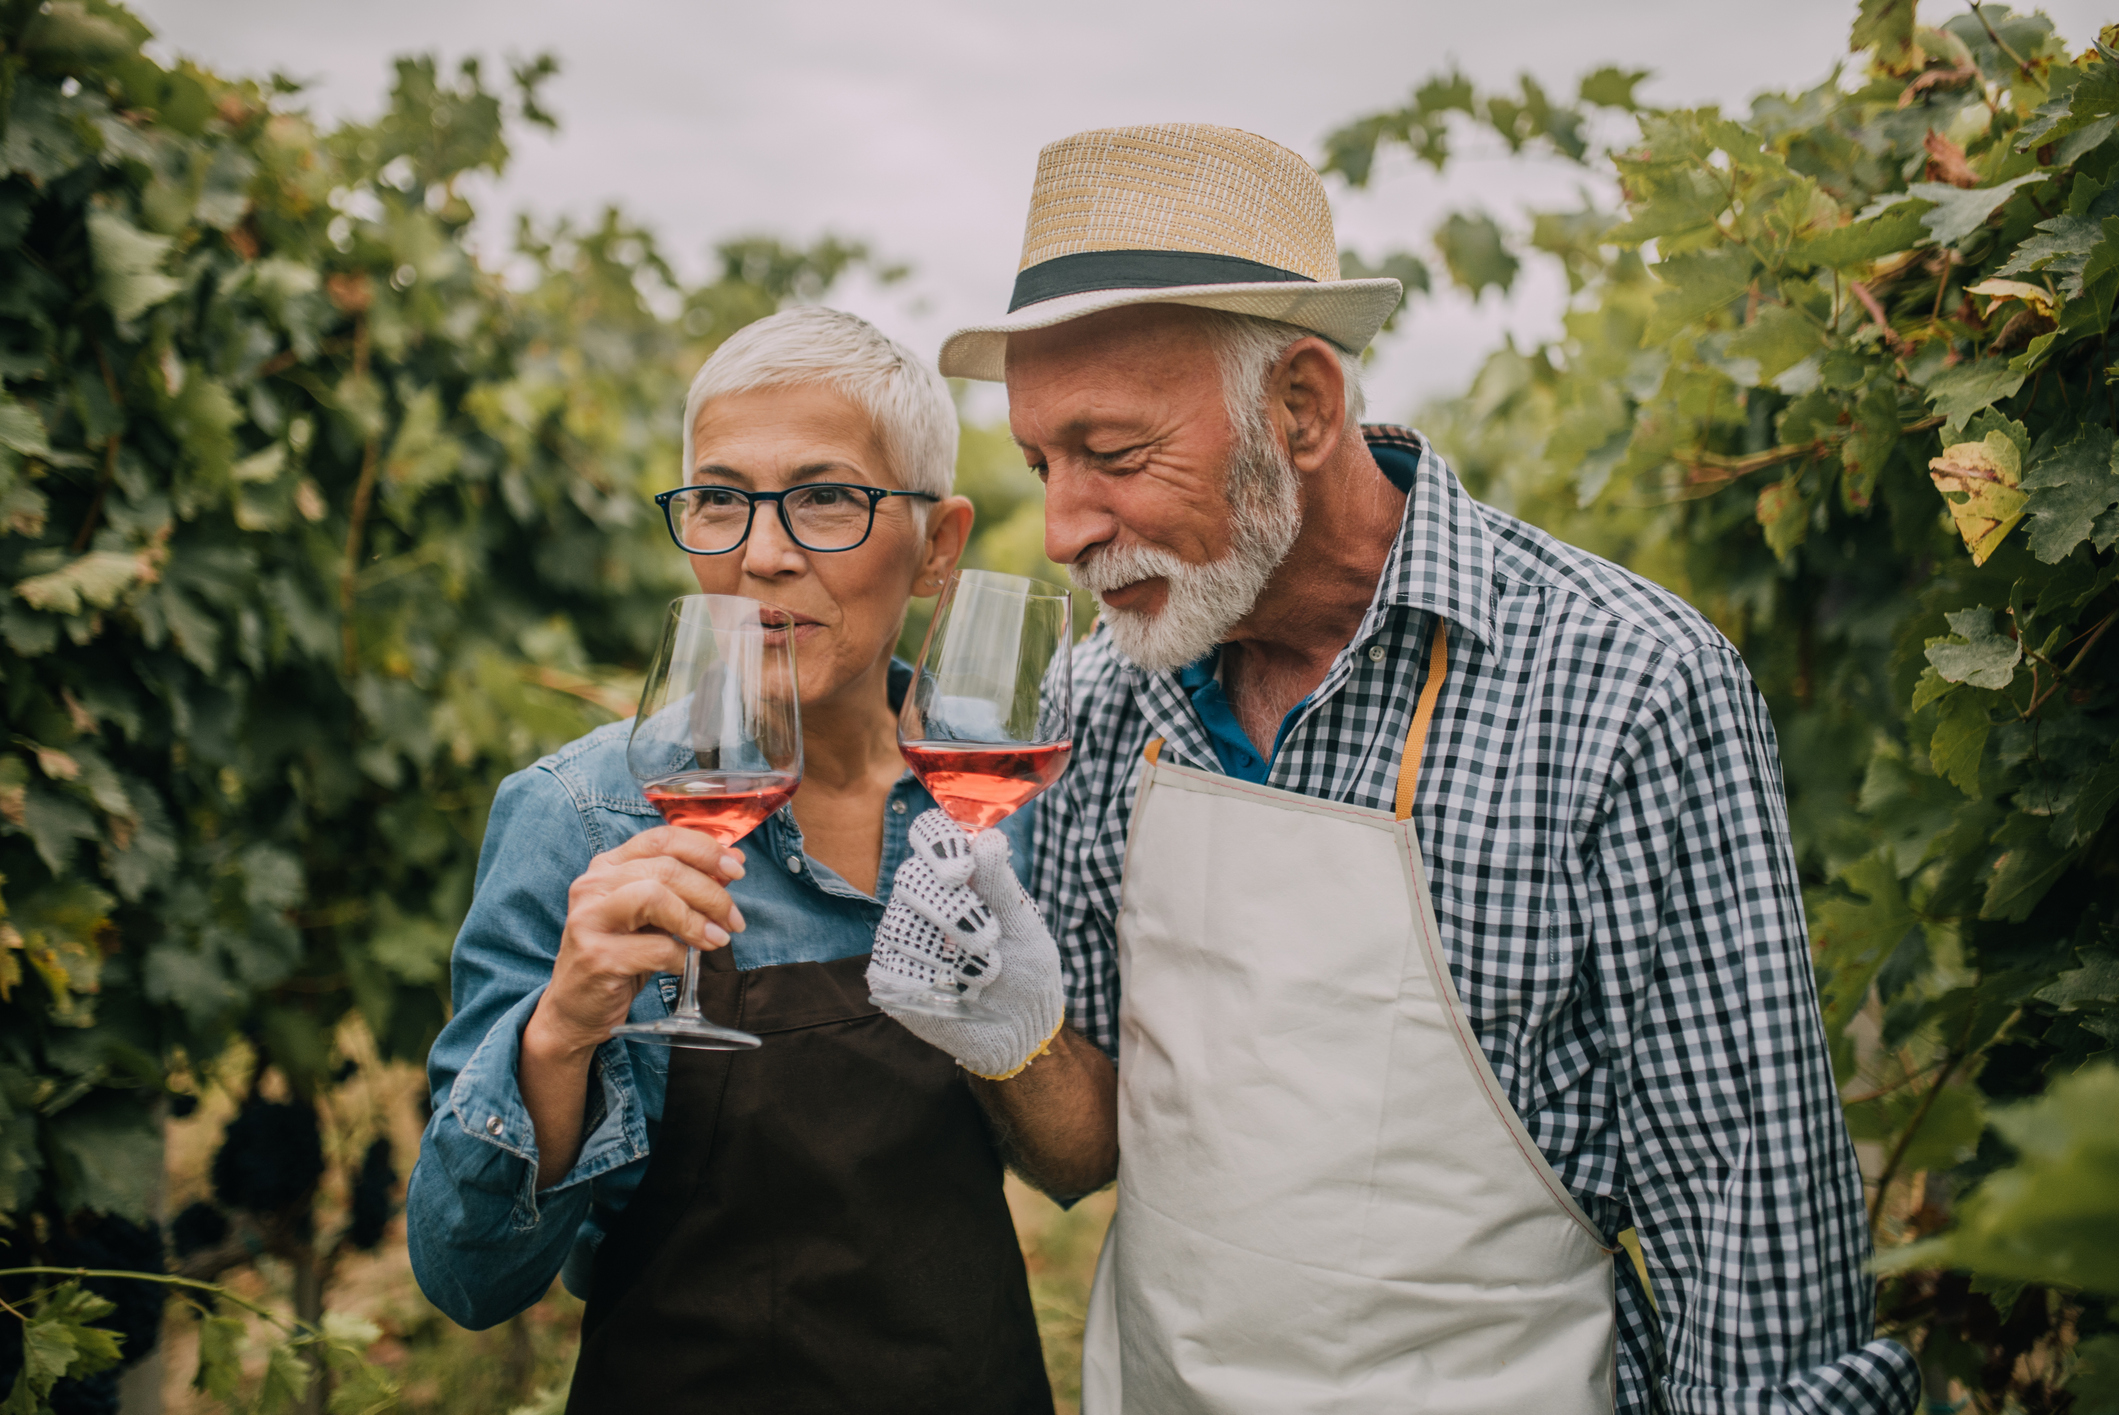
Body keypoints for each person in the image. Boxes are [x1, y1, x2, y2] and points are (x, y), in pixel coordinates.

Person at [865, 125, 1920, 1414]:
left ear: (1301, 406)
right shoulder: (1100, 690)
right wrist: (1006, 1023)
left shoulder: (1623, 689)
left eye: (1116, 454)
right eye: (1041, 464)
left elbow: (1750, 1244)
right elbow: (1085, 1154)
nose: (1069, 525)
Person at [405, 307, 1054, 1415]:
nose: (762, 553)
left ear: (940, 545)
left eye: (825, 496)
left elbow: (1072, 1160)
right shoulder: (581, 816)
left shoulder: (1009, 796)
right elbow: (468, 1273)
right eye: (718, 498)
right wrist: (560, 1030)